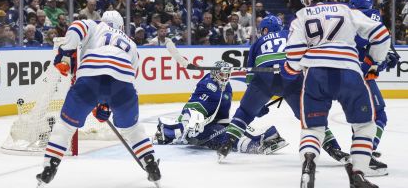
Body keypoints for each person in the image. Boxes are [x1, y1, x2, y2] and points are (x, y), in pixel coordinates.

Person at [282, 0, 389, 188]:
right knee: (365, 126)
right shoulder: (345, 9)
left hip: (316, 75)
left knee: (313, 128)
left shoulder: (300, 17)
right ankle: (358, 173)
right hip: (349, 72)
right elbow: (381, 34)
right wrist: (373, 60)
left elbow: (293, 54)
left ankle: (308, 165)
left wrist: (292, 68)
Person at [35, 11, 161, 187]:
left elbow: (76, 26)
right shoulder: (132, 44)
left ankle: (50, 166)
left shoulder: (96, 26)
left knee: (65, 126)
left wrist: (65, 52)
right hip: (122, 85)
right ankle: (151, 163)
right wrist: (106, 104)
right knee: (132, 129)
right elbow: (126, 77)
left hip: (90, 78)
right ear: (122, 26)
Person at [216, 15, 349, 164]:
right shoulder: (291, 34)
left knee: (245, 112)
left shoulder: (258, 42)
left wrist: (254, 104)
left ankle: (226, 144)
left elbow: (250, 74)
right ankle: (333, 148)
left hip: (264, 79)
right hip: (291, 78)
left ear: (265, 29)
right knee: (310, 117)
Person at [154, 60, 282, 155]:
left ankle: (261, 137)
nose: (225, 78)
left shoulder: (227, 87)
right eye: (222, 74)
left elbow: (226, 113)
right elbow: (194, 106)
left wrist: (255, 109)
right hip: (203, 127)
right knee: (226, 137)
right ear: (215, 74)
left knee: (236, 126)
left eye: (227, 74)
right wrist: (194, 122)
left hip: (216, 122)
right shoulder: (207, 85)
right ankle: (252, 145)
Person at [349, 0, 400, 176]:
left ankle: (360, 148)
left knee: (359, 119)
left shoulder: (344, 19)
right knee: (379, 116)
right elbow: (384, 52)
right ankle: (365, 155)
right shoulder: (372, 18)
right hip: (362, 78)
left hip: (340, 76)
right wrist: (386, 58)